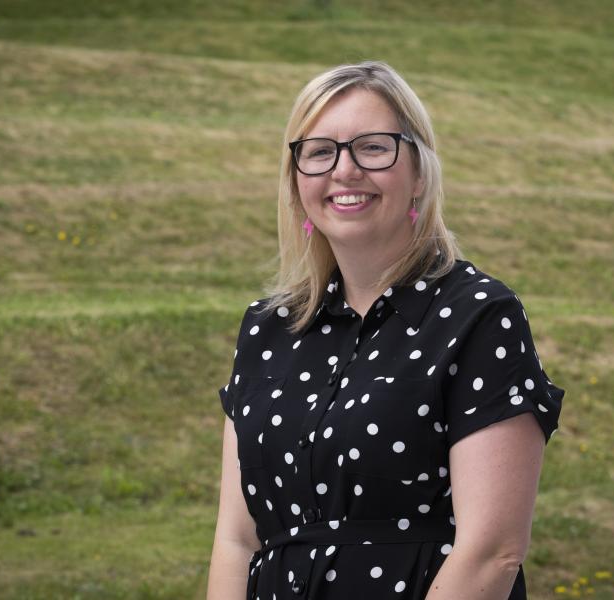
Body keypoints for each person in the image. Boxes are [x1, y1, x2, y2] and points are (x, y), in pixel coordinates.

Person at [207, 61, 564, 600]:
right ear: (296, 178)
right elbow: (237, 540)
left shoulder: (479, 317)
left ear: (419, 172)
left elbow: (492, 553)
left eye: (373, 148)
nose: (344, 171)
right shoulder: (267, 329)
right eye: (320, 151)